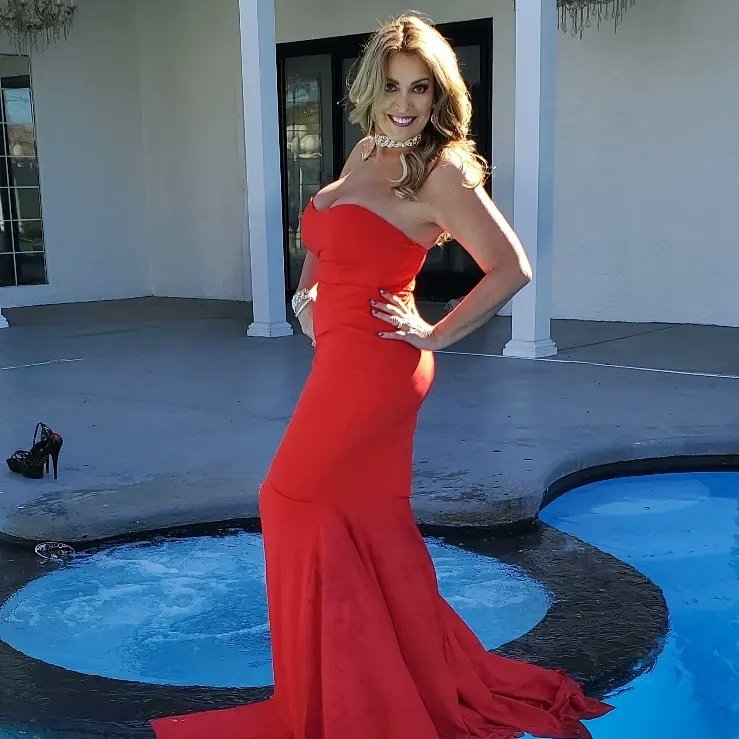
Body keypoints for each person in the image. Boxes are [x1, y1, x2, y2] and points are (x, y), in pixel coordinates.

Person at [151, 13, 613, 739]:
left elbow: (511, 268)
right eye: (393, 86)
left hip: (377, 365)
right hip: (339, 356)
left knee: (288, 501)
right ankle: (374, 687)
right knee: (363, 527)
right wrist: (304, 301)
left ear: (438, 94)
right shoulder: (367, 148)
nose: (404, 103)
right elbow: (323, 239)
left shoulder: (441, 171)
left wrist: (434, 332)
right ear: (370, 89)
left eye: (419, 88)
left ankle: (340, 697)